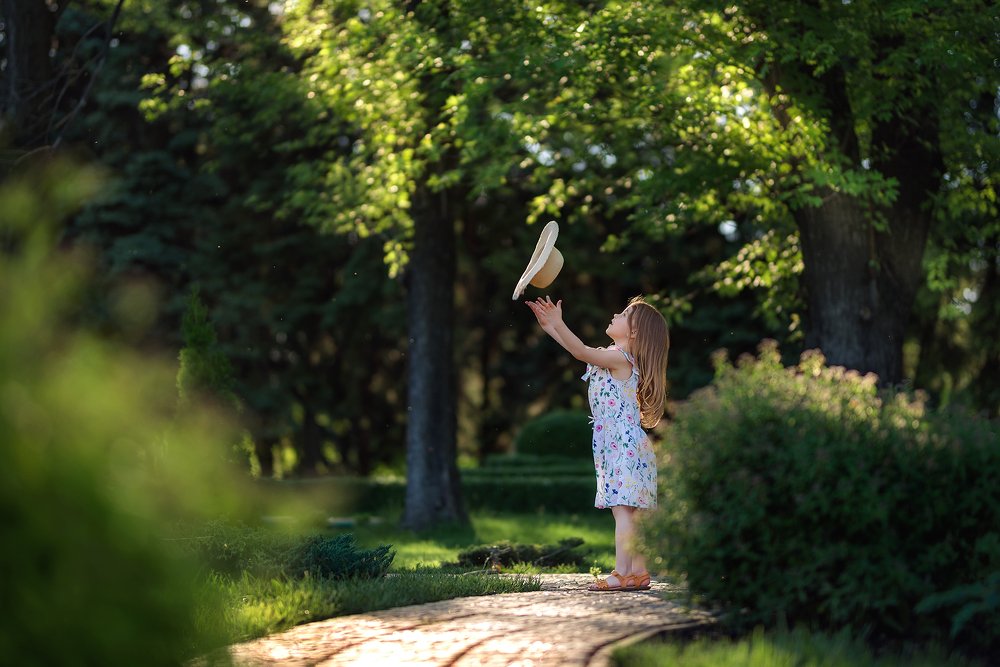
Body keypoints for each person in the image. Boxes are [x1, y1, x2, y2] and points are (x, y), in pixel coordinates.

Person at [526, 295, 669, 591]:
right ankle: (638, 573)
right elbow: (579, 350)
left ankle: (620, 573)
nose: (616, 313)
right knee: (632, 512)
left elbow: (580, 352)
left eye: (625, 313)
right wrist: (550, 326)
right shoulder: (616, 356)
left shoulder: (620, 359)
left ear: (634, 332)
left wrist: (558, 324)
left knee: (623, 512)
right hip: (628, 446)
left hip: (623, 447)